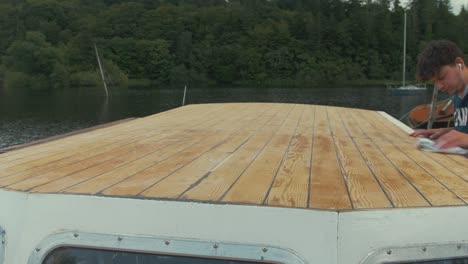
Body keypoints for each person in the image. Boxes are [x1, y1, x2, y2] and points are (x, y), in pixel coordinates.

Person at [410, 40, 468, 149]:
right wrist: (445, 131)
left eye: (441, 77)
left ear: (459, 64)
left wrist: (463, 139)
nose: (439, 87)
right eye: (434, 82)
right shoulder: (458, 95)